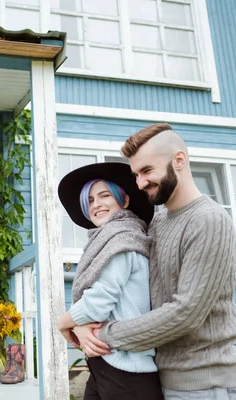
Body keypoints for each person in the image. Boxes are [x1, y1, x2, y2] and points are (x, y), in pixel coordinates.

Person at [76, 123, 236, 400]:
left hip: (206, 387)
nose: (140, 182)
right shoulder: (156, 223)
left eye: (147, 171)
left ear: (178, 160)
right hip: (162, 379)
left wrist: (102, 335)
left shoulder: (209, 220)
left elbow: (186, 313)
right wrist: (82, 322)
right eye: (136, 174)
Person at [56, 162, 163, 400]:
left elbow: (98, 302)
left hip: (127, 371)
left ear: (123, 201)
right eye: (91, 200)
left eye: (105, 196)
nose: (97, 205)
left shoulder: (123, 240)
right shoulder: (109, 239)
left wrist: (64, 323)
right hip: (106, 365)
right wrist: (80, 326)